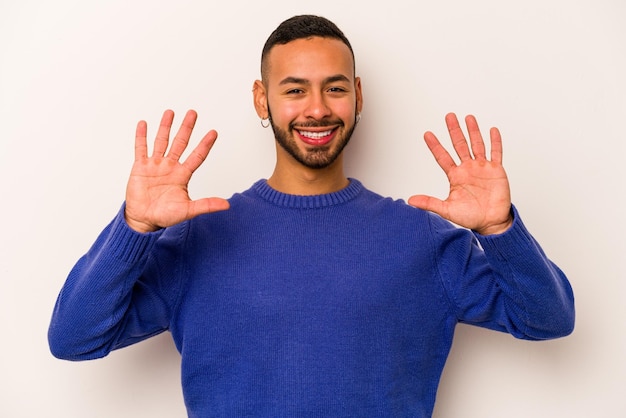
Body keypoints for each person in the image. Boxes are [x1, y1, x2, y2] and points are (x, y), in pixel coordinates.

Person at [48, 14, 575, 417]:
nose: (317, 108)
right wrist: (133, 229)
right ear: (262, 100)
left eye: (335, 87)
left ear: (357, 95)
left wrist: (501, 231)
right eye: (294, 89)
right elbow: (74, 339)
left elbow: (548, 320)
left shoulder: (421, 238)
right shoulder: (199, 240)